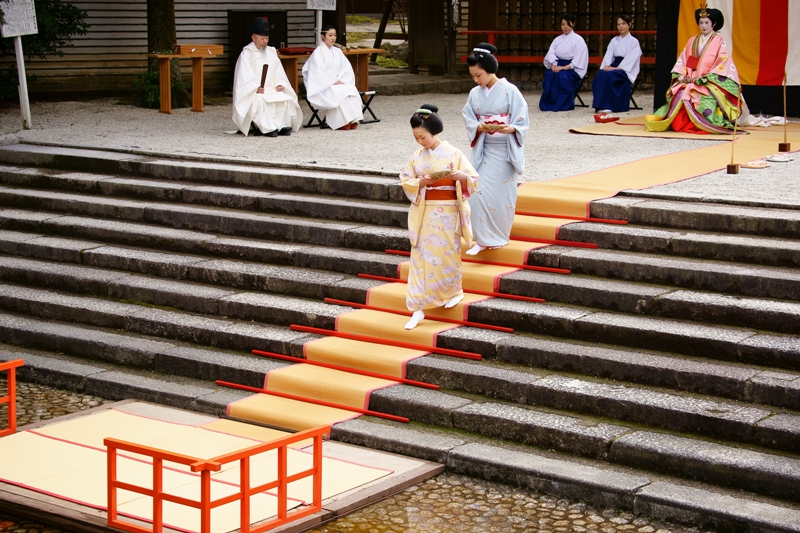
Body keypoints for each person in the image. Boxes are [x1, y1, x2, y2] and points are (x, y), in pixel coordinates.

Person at [401, 104, 479, 330]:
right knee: (420, 258)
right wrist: (420, 182)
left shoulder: (453, 153)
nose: (419, 141)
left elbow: (473, 177)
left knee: (447, 254)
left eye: (422, 137)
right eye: (416, 137)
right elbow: (405, 178)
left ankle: (454, 291)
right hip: (425, 211)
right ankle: (417, 306)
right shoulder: (417, 157)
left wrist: (461, 176)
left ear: (434, 132)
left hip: (447, 210)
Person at [462, 43, 529, 255]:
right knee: (475, 191)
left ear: (490, 70)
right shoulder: (475, 93)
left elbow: (522, 120)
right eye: (473, 76)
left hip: (505, 150)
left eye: (478, 75)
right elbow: (469, 117)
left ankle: (497, 237)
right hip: (485, 149)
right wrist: (480, 126)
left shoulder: (511, 91)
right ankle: (482, 239)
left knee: (499, 196)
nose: (476, 80)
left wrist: (511, 128)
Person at [645, 5, 741, 134]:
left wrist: (706, 78)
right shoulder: (693, 41)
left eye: (707, 22)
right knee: (681, 91)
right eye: (701, 22)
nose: (704, 26)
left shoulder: (719, 41)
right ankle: (680, 122)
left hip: (710, 81)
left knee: (703, 96)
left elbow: (722, 63)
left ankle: (705, 122)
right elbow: (688, 62)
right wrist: (684, 76)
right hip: (692, 79)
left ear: (714, 24)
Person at [232, 16, 302, 137]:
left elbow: (278, 71)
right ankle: (268, 127)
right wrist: (255, 87)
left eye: (267, 38)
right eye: (262, 38)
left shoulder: (271, 51)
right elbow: (243, 76)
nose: (265, 41)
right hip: (257, 90)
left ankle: (283, 126)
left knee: (283, 97)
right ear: (253, 37)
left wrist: (279, 83)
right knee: (261, 99)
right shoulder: (246, 53)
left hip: (272, 87)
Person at [302, 25, 364, 131]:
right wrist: (332, 81)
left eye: (334, 35)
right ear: (323, 36)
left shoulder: (338, 51)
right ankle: (342, 121)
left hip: (338, 81)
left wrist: (342, 80)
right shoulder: (318, 52)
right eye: (330, 35)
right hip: (323, 85)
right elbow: (318, 71)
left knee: (350, 89)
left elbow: (346, 68)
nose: (333, 38)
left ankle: (353, 119)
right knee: (339, 91)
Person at [592, 14, 642, 113]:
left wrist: (616, 68)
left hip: (625, 69)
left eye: (623, 23)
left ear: (629, 24)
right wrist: (606, 66)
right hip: (614, 65)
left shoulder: (634, 42)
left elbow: (631, 60)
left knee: (610, 75)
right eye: (618, 24)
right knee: (601, 74)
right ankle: (600, 105)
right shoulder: (614, 41)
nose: (621, 26)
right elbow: (609, 55)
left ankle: (611, 105)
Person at [540, 13, 589, 112]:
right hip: (558, 64)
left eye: (567, 24)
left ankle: (563, 104)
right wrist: (553, 65)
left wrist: (563, 68)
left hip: (571, 68)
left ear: (573, 24)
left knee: (561, 76)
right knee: (549, 74)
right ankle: (548, 103)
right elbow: (551, 54)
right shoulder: (557, 40)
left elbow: (578, 60)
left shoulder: (579, 40)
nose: (565, 27)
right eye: (563, 24)